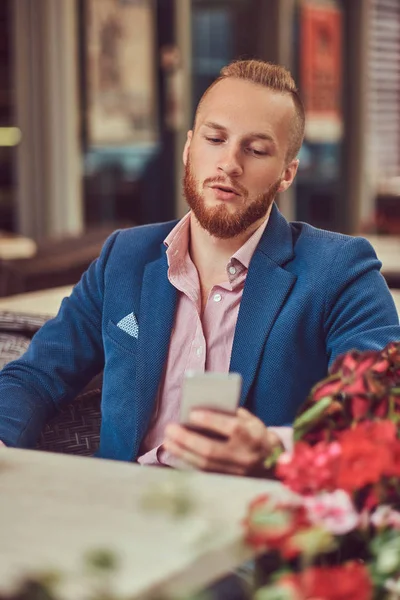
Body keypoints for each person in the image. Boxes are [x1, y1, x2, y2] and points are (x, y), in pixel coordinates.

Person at [0, 60, 399, 476]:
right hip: (118, 512)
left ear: (287, 173)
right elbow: (36, 375)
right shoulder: (124, 257)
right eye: (215, 138)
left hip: (246, 519)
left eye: (257, 149)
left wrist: (275, 449)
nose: (229, 163)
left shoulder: (340, 271)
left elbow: (383, 412)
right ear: (190, 148)